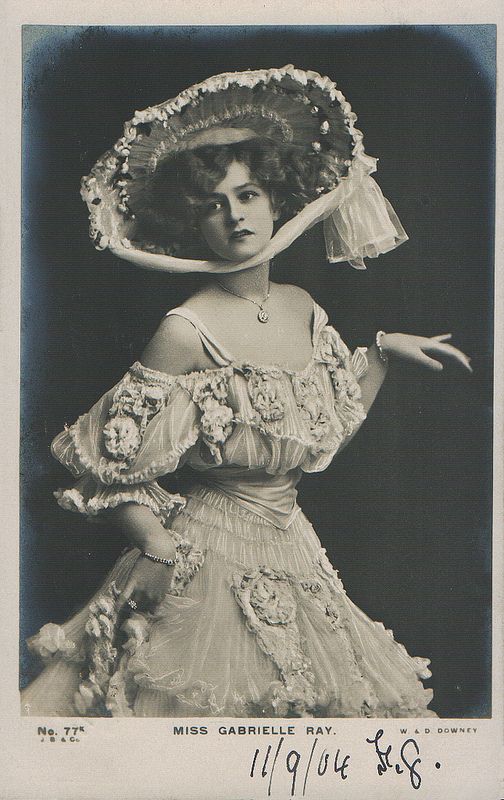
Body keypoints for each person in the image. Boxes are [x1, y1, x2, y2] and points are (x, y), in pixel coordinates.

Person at [21, 65, 471, 718]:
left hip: (295, 544)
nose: (235, 216)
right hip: (201, 553)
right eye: (213, 205)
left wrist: (380, 354)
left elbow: (322, 435)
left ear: (275, 200)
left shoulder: (304, 307)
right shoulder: (186, 329)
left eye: (248, 194)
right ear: (190, 225)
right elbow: (110, 466)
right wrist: (155, 543)